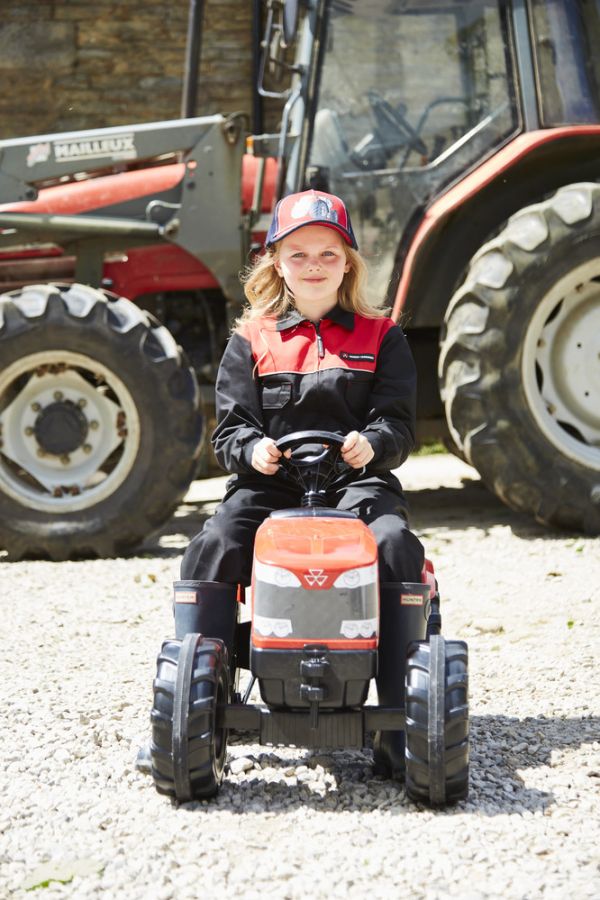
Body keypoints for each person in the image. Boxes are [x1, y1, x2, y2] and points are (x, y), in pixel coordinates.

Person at [144, 189, 426, 779]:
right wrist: (253, 450)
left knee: (397, 542)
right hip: (271, 487)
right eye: (299, 254)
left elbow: (399, 424)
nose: (314, 266)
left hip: (357, 486)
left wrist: (372, 443)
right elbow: (230, 432)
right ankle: (193, 709)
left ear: (348, 260)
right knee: (215, 541)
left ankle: (403, 719)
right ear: (276, 262)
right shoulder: (251, 339)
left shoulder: (383, 337)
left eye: (327, 253)